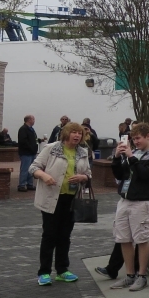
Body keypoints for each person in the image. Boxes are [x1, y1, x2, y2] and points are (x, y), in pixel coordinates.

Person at [30, 121, 92, 285]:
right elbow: (34, 167)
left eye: (80, 133)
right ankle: (44, 272)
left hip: (71, 200)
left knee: (65, 236)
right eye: (74, 132)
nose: (77, 135)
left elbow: (88, 174)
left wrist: (83, 177)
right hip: (51, 199)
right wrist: (43, 176)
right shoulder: (51, 148)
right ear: (66, 134)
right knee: (50, 235)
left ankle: (62, 270)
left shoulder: (83, 152)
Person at [108, 122, 149, 292]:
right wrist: (118, 158)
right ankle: (129, 274)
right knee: (123, 238)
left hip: (142, 202)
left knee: (141, 239)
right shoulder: (136, 153)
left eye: (138, 138)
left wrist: (132, 157)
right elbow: (121, 175)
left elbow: (146, 175)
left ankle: (142, 276)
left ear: (148, 136)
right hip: (125, 200)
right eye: (133, 139)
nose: (136, 142)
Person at [17, 114, 40, 192]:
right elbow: (23, 141)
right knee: (25, 169)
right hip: (26, 153)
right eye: (33, 119)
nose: (34, 121)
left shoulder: (31, 129)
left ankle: (29, 184)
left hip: (32, 153)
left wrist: (39, 141)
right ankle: (22, 185)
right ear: (29, 120)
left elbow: (33, 139)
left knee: (31, 169)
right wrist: (30, 148)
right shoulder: (23, 129)